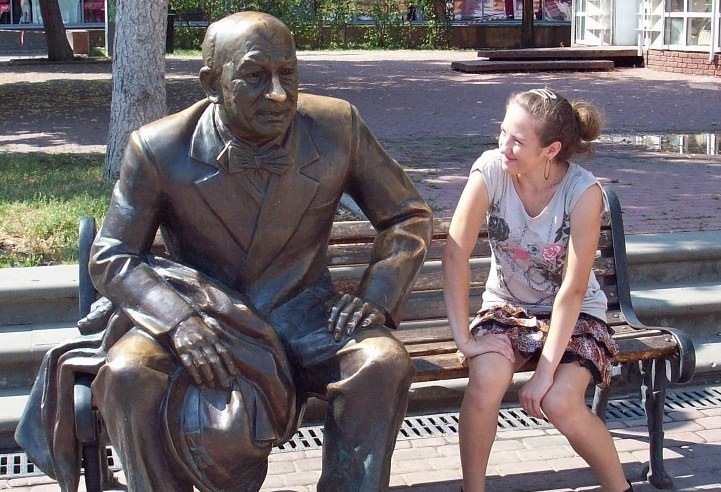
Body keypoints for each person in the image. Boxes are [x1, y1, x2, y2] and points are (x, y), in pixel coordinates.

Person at [16, 11, 432, 492]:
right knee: (130, 372)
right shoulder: (158, 148)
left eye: (288, 73)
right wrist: (177, 321)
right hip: (202, 317)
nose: (278, 94)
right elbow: (112, 254)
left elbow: (406, 215)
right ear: (212, 84)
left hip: (302, 313)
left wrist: (376, 296)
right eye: (255, 76)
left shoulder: (337, 127)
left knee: (381, 361)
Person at [442, 88, 632, 492]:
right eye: (503, 132)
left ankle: (621, 488)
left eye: (517, 140)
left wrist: (544, 373)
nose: (503, 146)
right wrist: (463, 339)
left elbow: (573, 289)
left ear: (551, 149)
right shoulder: (491, 171)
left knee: (559, 401)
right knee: (485, 383)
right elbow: (456, 252)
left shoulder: (582, 192)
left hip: (575, 315)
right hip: (507, 308)